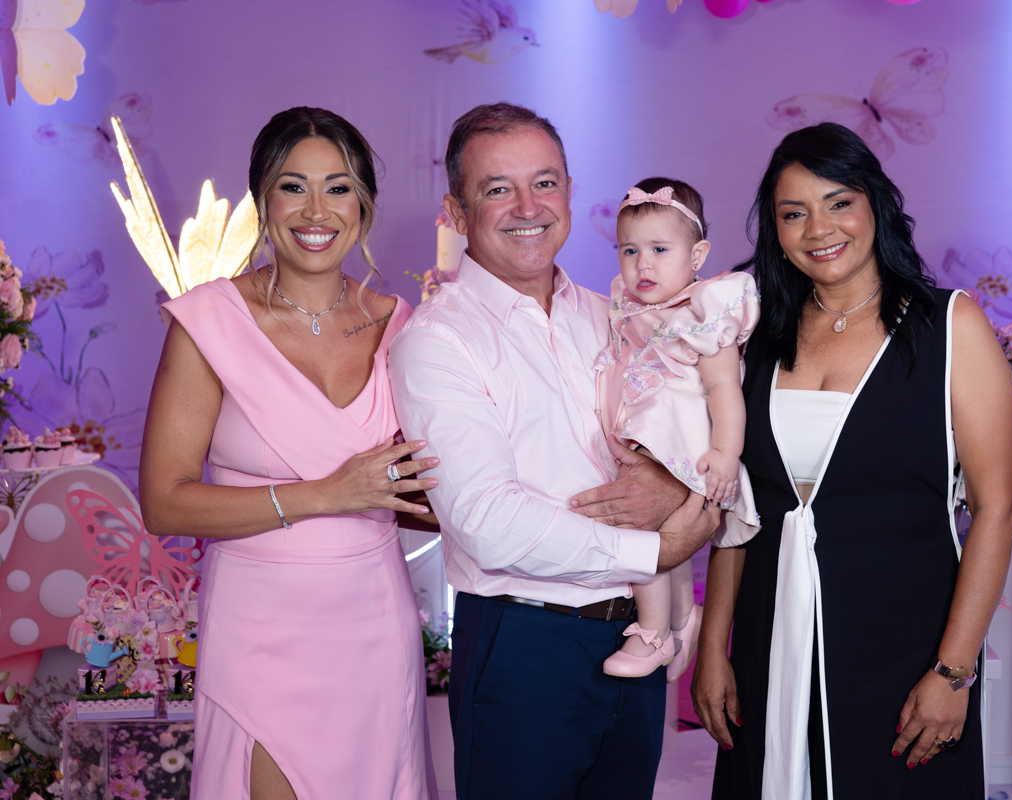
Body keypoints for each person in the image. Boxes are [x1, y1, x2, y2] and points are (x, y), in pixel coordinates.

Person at [388, 102, 720, 800]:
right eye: (497, 188)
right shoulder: (438, 341)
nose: (527, 207)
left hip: (635, 637)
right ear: (456, 210)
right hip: (524, 645)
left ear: (569, 192)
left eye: (544, 183)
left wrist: (675, 487)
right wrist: (655, 549)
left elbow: (699, 428)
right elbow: (485, 520)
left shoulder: (617, 316)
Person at [690, 122, 1012, 799]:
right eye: (794, 213)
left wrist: (953, 671)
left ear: (875, 203)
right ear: (775, 229)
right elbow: (740, 511)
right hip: (767, 639)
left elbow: (998, 507)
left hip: (903, 649)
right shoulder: (756, 338)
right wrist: (713, 648)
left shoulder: (948, 325)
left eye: (838, 202)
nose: (819, 229)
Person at [140, 107, 438, 800]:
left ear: (363, 204)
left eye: (338, 188)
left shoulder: (402, 325)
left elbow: (421, 495)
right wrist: (327, 495)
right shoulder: (209, 321)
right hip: (259, 633)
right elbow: (163, 503)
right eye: (293, 186)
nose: (316, 211)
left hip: (375, 628)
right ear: (262, 201)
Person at [594, 178, 761, 682]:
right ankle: (683, 618)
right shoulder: (632, 308)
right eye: (630, 251)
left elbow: (726, 389)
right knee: (666, 536)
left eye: (660, 250)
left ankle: (652, 632)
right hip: (648, 436)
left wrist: (727, 453)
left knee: (640, 528)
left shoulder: (704, 312)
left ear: (697, 255)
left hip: (684, 442)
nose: (642, 265)